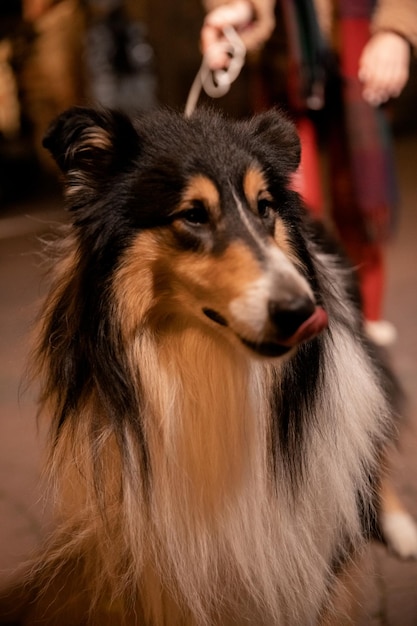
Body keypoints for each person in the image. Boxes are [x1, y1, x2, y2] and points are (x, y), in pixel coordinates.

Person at [200, 0, 416, 345]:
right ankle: (300, 320)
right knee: (291, 202)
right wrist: (240, 8)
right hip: (282, 56)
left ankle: (368, 331)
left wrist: (397, 29)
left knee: (362, 199)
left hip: (362, 37)